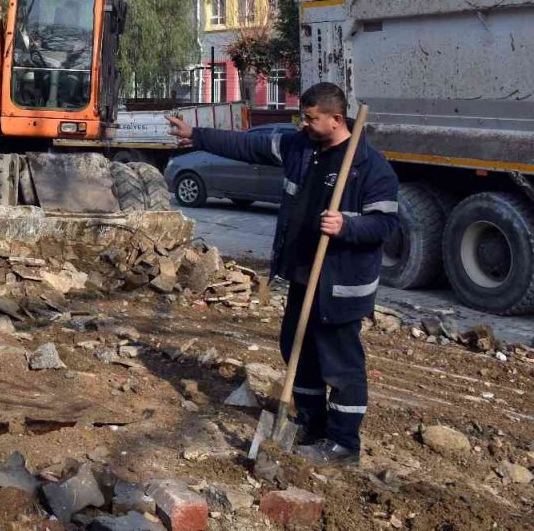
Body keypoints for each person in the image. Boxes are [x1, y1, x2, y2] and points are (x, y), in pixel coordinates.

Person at [165, 83, 400, 467]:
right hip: (302, 275)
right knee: (297, 351)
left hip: (340, 285)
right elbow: (248, 147)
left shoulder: (369, 168)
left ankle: (343, 445)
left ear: (336, 119)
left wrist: (346, 227)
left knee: (340, 364)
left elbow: (386, 225)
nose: (304, 125)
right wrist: (196, 135)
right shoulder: (300, 148)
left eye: (311, 118)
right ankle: (312, 425)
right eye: (302, 118)